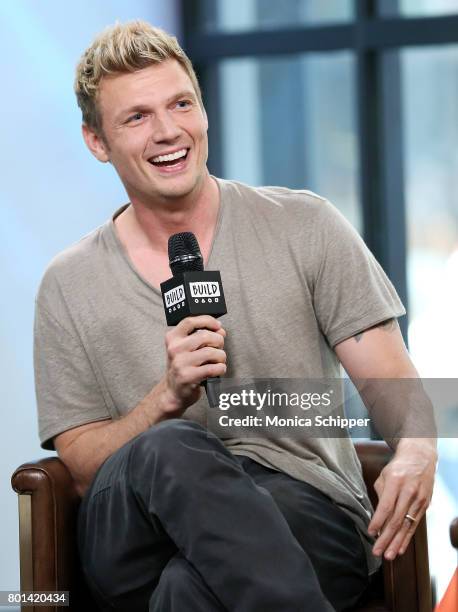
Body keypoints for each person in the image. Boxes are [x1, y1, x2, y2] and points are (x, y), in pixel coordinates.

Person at [33, 20, 437, 612]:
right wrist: (163, 400)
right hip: (134, 532)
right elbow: (84, 469)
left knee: (187, 591)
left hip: (303, 508)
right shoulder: (67, 285)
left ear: (202, 109)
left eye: (181, 104)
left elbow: (392, 386)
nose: (169, 131)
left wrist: (420, 447)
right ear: (98, 141)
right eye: (137, 117)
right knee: (169, 446)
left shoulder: (305, 225)